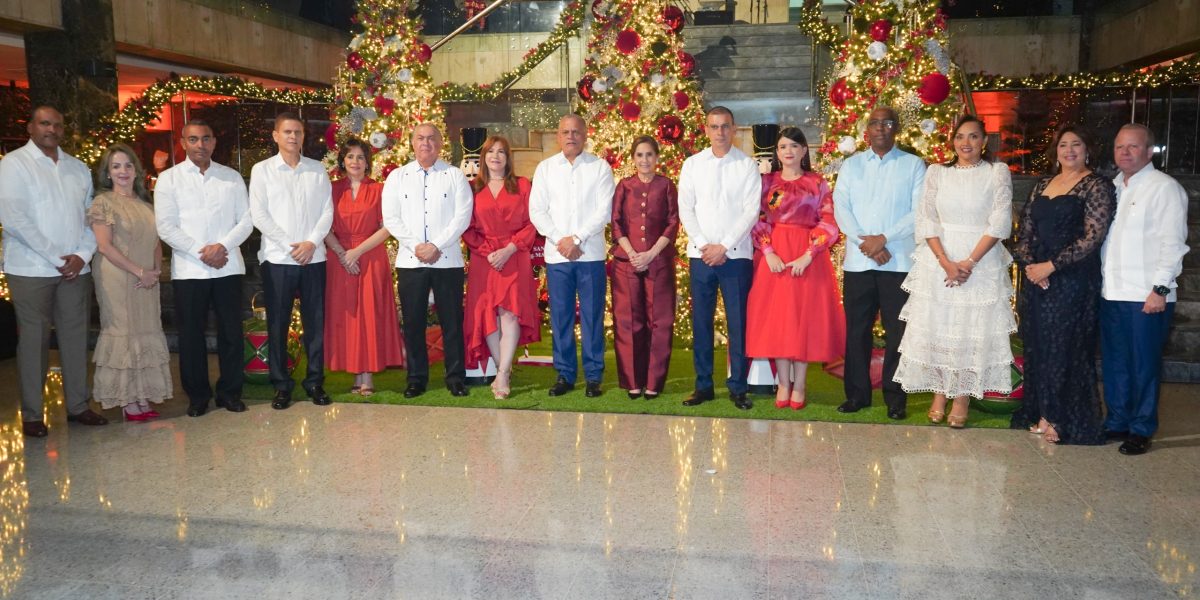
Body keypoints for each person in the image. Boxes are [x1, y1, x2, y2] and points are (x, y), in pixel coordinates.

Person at [894, 115, 1016, 428]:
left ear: (984, 141)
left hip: (981, 262)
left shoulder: (996, 172)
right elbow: (926, 219)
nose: (966, 143)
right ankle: (939, 393)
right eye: (960, 136)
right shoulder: (937, 172)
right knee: (939, 326)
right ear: (952, 141)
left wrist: (970, 262)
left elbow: (1000, 222)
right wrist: (945, 262)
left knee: (970, 330)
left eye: (973, 136)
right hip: (940, 261)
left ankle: (962, 397)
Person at [0, 106, 108, 436]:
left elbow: (91, 218)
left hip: (75, 270)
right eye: (45, 123)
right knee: (34, 341)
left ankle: (78, 406)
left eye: (58, 125)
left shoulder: (77, 167)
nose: (52, 129)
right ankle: (33, 414)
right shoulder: (14, 164)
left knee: (76, 338)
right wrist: (56, 257)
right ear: (30, 127)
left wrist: (82, 255)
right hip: (31, 269)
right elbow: (14, 219)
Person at [1010, 125, 1115, 444]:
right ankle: (1042, 412)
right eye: (1063, 145)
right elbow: (1024, 230)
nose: (1069, 150)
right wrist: (1031, 266)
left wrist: (1051, 266)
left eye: (1076, 144)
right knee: (1039, 346)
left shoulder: (1096, 185)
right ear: (1055, 151)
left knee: (1066, 348)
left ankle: (1064, 419)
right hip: (1036, 279)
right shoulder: (1043, 183)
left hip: (1073, 279)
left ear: (1087, 150)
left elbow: (1092, 237)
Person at [1099, 123, 1189, 456]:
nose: (1125, 152)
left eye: (1133, 146)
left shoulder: (1164, 188)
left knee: (1144, 365)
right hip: (1112, 292)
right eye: (1119, 146)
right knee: (1115, 363)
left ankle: (1141, 428)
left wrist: (1160, 289)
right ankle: (1117, 420)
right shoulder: (1112, 187)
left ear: (1149, 151)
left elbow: (1173, 243)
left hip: (1147, 295)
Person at [831, 106, 926, 420]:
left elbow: (918, 211)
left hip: (897, 262)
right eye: (875, 123)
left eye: (887, 123)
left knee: (898, 332)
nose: (881, 128)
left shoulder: (913, 165)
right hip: (859, 263)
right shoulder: (851, 165)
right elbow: (841, 207)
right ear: (866, 130)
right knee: (857, 330)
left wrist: (884, 239)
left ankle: (895, 398)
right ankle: (856, 395)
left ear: (896, 128)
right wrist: (867, 243)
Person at [155, 120, 254, 417]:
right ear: (183, 143)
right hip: (190, 269)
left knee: (231, 333)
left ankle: (230, 393)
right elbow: (166, 226)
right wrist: (203, 251)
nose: (200, 144)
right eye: (194, 139)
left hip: (228, 266)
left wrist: (222, 246)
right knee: (191, 336)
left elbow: (246, 220)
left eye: (206, 139)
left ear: (214, 142)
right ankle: (197, 396)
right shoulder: (169, 180)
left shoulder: (230, 177)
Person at [745, 127, 844, 410]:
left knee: (803, 319)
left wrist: (809, 255)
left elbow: (828, 221)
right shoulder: (766, 183)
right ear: (777, 153)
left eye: (793, 146)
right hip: (774, 257)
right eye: (782, 147)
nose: (788, 151)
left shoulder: (817, 183)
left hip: (806, 257)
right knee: (779, 320)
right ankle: (783, 383)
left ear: (803, 150)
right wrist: (767, 251)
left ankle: (799, 384)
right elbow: (757, 218)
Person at [677, 106, 761, 410]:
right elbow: (686, 209)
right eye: (714, 126)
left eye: (725, 126)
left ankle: (738, 387)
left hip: (736, 257)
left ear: (734, 129)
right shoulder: (692, 165)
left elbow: (751, 212)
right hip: (700, 256)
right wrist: (704, 245)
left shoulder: (747, 166)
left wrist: (723, 246)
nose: (720, 132)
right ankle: (704, 386)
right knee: (701, 322)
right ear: (706, 130)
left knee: (738, 323)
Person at [248, 112, 333, 409]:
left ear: (303, 135)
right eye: (287, 132)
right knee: (278, 324)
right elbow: (259, 215)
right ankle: (281, 385)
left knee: (315, 324)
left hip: (314, 257)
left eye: (298, 131)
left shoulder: (317, 169)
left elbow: (327, 211)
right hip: (278, 259)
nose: (293, 137)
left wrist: (311, 243)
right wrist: (290, 246)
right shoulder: (262, 170)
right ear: (276, 136)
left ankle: (315, 382)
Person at [382, 123, 473, 398]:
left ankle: (455, 377)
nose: (426, 143)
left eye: (432, 138)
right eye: (420, 138)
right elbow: (391, 218)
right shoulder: (397, 177)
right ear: (412, 143)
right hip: (411, 263)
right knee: (413, 323)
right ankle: (416, 379)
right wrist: (416, 246)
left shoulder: (454, 176)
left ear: (440, 142)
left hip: (447, 261)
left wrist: (436, 245)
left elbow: (462, 217)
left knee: (452, 321)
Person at [529, 115, 614, 398]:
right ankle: (565, 374)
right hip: (558, 257)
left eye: (576, 132)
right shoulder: (545, 169)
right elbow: (537, 211)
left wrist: (577, 239)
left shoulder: (599, 167)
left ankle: (593, 375)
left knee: (592, 316)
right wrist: (561, 240)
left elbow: (604, 210)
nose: (571, 137)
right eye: (565, 132)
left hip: (590, 255)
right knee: (561, 318)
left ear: (585, 135)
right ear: (558, 136)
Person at [87, 144, 173, 420]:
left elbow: (156, 243)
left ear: (136, 171)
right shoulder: (103, 203)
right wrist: (139, 271)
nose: (122, 171)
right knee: (124, 332)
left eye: (127, 165)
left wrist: (154, 271)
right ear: (107, 173)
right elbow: (104, 246)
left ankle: (142, 396)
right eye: (116, 166)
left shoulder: (146, 205)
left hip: (147, 278)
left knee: (146, 329)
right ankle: (127, 401)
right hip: (117, 276)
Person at [323, 139, 405, 396]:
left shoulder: (379, 189)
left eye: (360, 157)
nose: (355, 162)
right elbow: (323, 226)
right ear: (342, 161)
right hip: (339, 258)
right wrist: (342, 254)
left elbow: (388, 227)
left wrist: (356, 252)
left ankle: (367, 375)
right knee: (347, 315)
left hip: (370, 256)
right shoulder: (331, 189)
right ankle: (354, 371)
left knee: (370, 314)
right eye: (350, 157)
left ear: (367, 162)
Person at [462, 135, 540, 400]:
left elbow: (533, 222)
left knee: (510, 314)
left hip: (514, 255)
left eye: (501, 152)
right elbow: (466, 227)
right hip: (484, 259)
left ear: (508, 158)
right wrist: (488, 252)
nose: (495, 156)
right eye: (490, 151)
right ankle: (502, 370)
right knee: (489, 315)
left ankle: (503, 373)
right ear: (483, 157)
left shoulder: (522, 185)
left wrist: (509, 249)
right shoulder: (472, 188)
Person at [610, 136, 679, 400]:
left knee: (660, 321)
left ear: (657, 157)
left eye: (649, 154)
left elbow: (673, 222)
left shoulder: (666, 185)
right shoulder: (624, 186)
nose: (645, 160)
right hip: (626, 263)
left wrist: (650, 254)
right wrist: (632, 254)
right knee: (628, 321)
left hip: (659, 262)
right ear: (633, 158)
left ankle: (653, 382)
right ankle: (633, 381)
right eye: (639, 155)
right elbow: (616, 223)